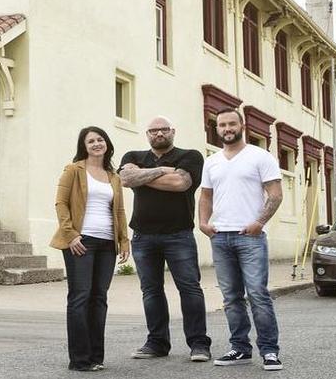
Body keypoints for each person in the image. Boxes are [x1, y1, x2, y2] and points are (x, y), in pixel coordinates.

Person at [118, 116, 212, 362]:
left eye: (164, 129)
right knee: (151, 291)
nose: (159, 134)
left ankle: (199, 344)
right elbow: (126, 179)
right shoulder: (133, 155)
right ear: (147, 134)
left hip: (178, 235)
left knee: (190, 289)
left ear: (173, 131)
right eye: (153, 130)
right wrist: (163, 170)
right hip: (143, 237)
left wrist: (143, 175)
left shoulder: (190, 156)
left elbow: (180, 183)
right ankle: (157, 343)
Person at [198, 108, 284, 371]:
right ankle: (240, 349)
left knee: (257, 294)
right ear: (217, 128)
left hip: (250, 237)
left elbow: (275, 194)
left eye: (231, 124)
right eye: (222, 125)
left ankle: (270, 351)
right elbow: (206, 195)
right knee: (231, 298)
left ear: (242, 126)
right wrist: (203, 223)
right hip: (220, 237)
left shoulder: (260, 157)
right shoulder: (211, 161)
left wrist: (259, 223)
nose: (227, 128)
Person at [51, 126, 131, 372]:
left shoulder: (113, 176)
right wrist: (71, 235)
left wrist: (124, 240)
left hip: (107, 243)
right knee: (80, 297)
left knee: (99, 298)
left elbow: (119, 210)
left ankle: (96, 357)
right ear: (84, 147)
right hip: (80, 242)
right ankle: (79, 359)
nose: (97, 144)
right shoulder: (73, 170)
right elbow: (61, 203)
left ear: (106, 144)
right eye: (91, 141)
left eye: (100, 139)